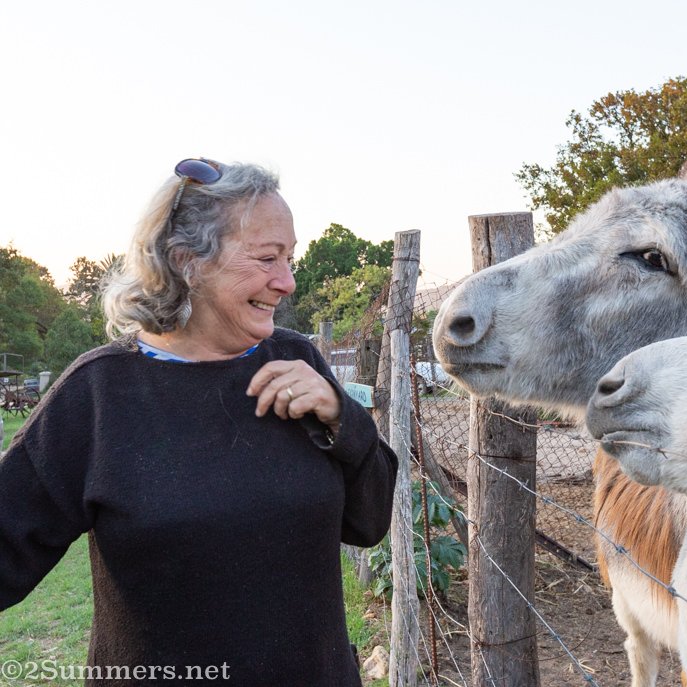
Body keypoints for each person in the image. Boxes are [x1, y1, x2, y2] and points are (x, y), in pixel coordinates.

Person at [0, 159, 398, 686]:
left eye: (290, 258)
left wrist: (343, 417)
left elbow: (370, 523)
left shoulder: (296, 360)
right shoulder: (98, 394)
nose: (287, 281)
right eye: (267, 258)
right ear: (188, 261)